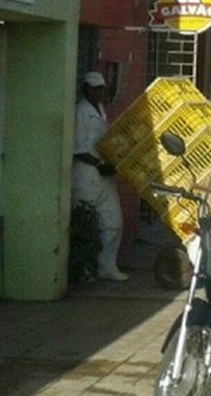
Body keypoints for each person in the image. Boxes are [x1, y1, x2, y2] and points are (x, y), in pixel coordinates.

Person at [72, 71, 128, 282]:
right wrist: (99, 164)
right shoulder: (80, 112)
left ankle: (107, 267)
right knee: (84, 223)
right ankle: (83, 270)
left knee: (113, 221)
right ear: (85, 89)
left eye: (101, 89)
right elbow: (77, 149)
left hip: (104, 173)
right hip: (86, 174)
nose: (98, 92)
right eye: (94, 88)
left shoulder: (101, 110)